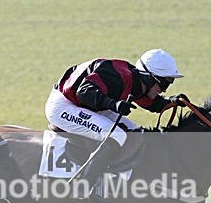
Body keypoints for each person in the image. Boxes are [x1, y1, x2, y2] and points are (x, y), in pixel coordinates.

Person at [45, 48, 184, 186]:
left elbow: (152, 103)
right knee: (116, 135)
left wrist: (172, 101)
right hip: (64, 105)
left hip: (88, 104)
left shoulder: (137, 82)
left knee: (136, 132)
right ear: (148, 77)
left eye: (169, 83)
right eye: (164, 83)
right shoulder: (117, 77)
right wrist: (114, 105)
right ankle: (83, 183)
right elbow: (84, 93)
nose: (164, 89)